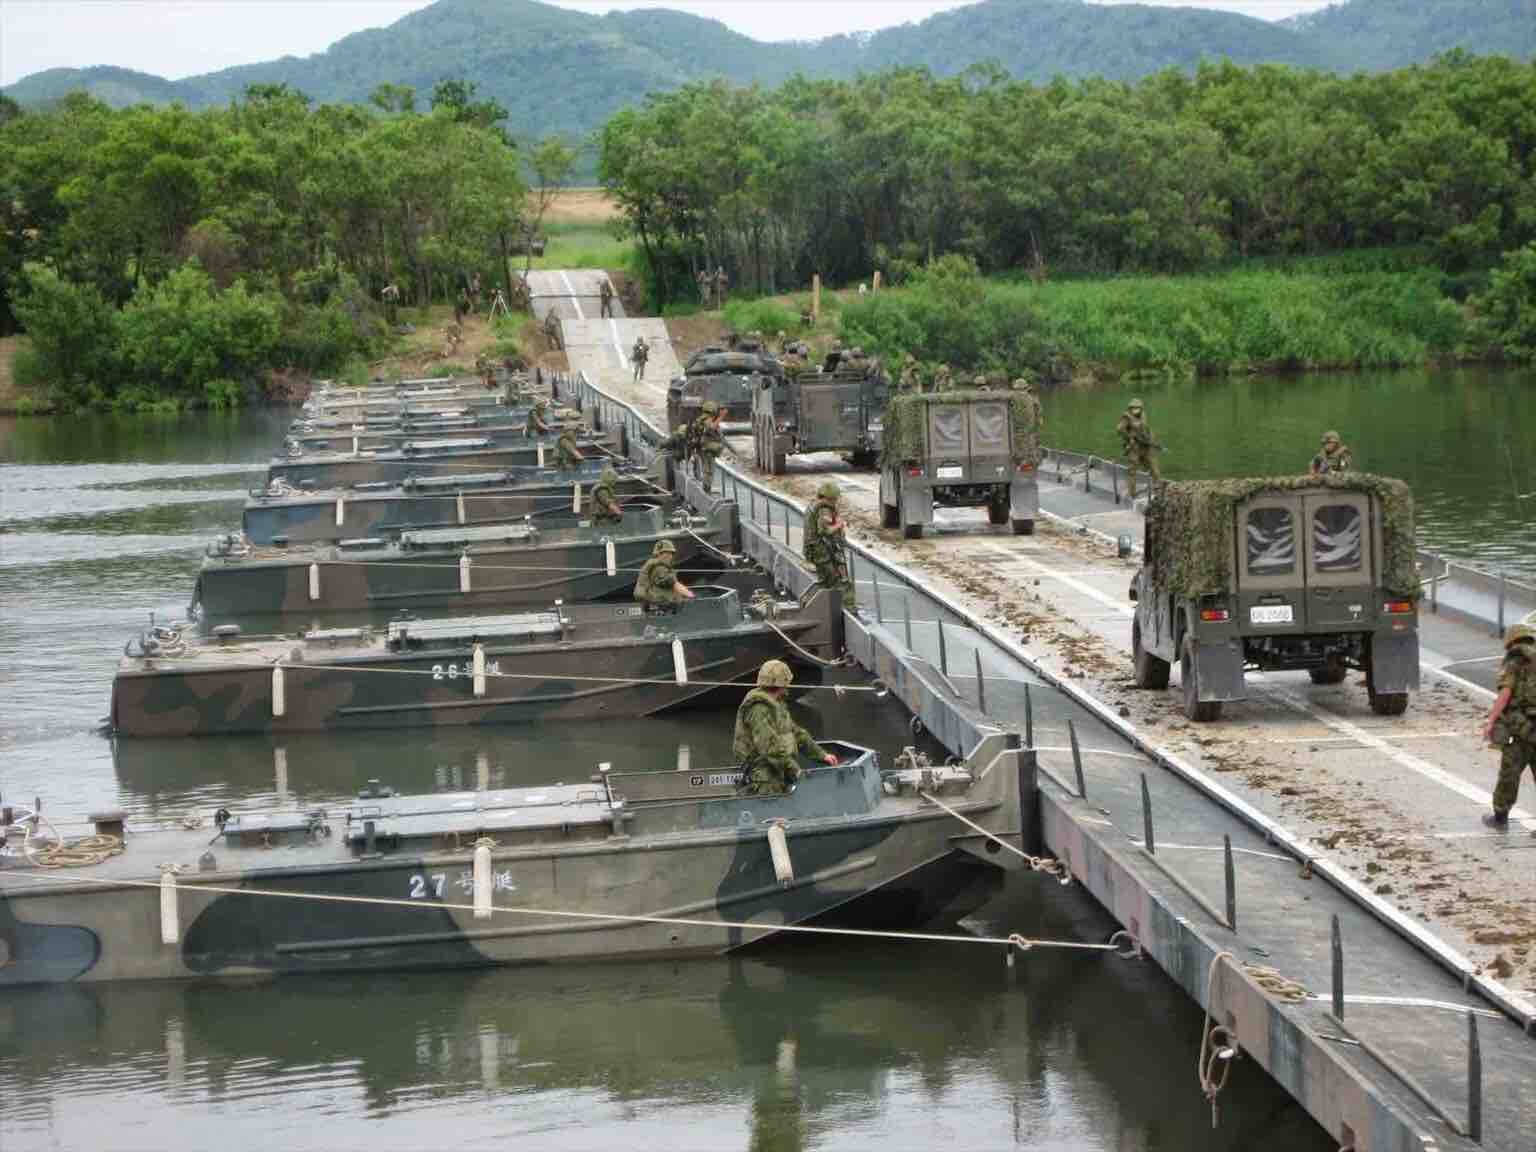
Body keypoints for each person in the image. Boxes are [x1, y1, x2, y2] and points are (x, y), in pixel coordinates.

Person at [734, 660, 839, 795]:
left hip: (780, 767)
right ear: (783, 683)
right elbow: (768, 746)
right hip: (763, 773)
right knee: (772, 810)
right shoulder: (758, 708)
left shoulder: (776, 703)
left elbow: (796, 733)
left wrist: (821, 755)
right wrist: (794, 769)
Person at [1483, 622, 1536, 830]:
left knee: (1510, 772)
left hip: (1521, 726)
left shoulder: (1515, 660)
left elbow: (1505, 693)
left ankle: (1500, 817)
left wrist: (1491, 720)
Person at [804, 482, 855, 606]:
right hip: (823, 551)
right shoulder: (824, 510)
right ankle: (848, 608)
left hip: (817, 550)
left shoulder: (814, 505)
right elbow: (825, 531)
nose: (836, 501)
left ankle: (811, 602)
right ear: (829, 498)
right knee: (839, 582)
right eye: (835, 499)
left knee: (826, 581)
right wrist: (839, 524)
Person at [1116, 397, 1161, 501]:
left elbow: (1147, 428)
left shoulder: (1143, 415)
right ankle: (1132, 492)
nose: (1136, 410)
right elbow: (1119, 430)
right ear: (1130, 409)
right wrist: (1129, 438)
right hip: (1134, 447)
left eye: (1138, 408)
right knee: (1132, 470)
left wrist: (1152, 440)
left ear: (1141, 408)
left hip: (1145, 445)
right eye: (1134, 408)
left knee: (1153, 464)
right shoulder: (1126, 417)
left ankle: (1158, 486)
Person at [633, 538, 694, 608]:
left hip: (649, 598)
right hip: (656, 600)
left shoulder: (653, 564)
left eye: (671, 553)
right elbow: (672, 583)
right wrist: (690, 594)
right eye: (667, 553)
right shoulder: (659, 568)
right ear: (659, 554)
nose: (670, 556)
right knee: (678, 600)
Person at [690, 401, 725, 490]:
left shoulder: (701, 419)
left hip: (702, 447)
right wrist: (721, 417)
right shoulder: (707, 419)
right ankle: (707, 487)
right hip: (706, 447)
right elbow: (711, 427)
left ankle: (706, 486)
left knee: (706, 468)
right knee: (709, 469)